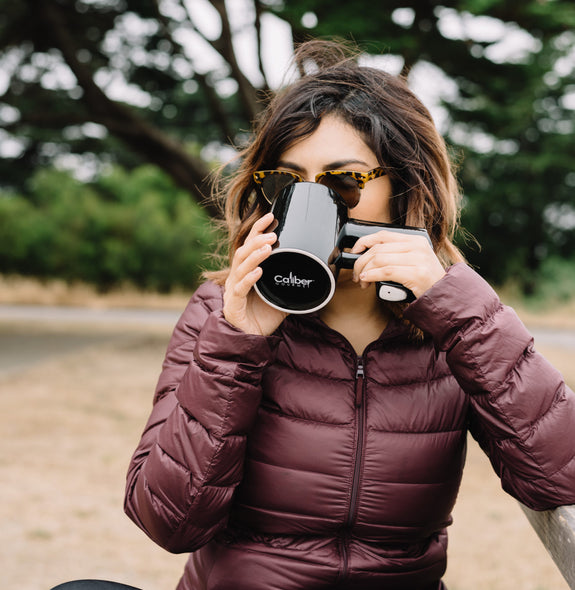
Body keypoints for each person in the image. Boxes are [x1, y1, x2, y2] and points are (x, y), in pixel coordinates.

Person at [123, 39, 575, 590]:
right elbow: (168, 522)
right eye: (286, 181)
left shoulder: (454, 320)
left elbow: (562, 474)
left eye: (343, 180)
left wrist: (456, 310)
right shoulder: (223, 313)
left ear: (405, 185)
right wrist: (238, 344)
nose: (312, 201)